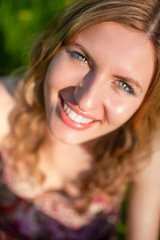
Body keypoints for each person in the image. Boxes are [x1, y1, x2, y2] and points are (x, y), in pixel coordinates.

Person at [0, 0, 160, 239]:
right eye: (81, 57)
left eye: (124, 85)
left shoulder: (143, 147)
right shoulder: (5, 108)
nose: (85, 101)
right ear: (54, 46)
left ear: (145, 102)